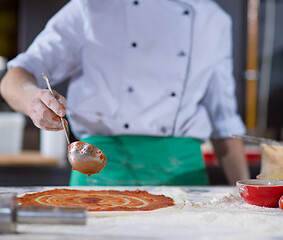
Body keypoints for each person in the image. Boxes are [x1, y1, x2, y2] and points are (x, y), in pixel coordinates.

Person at [0, 0, 250, 186]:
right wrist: (33, 100)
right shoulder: (90, 8)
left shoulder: (213, 20)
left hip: (183, 178)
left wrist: (247, 198)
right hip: (97, 171)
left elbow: (223, 122)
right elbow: (17, 75)